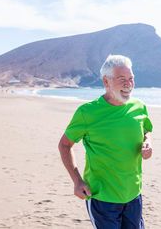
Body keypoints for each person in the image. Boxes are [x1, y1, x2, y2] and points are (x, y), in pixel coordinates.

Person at [58, 54, 153, 229]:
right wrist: (77, 180)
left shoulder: (139, 106)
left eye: (131, 79)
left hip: (133, 195)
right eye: (121, 79)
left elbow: (146, 130)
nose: (128, 84)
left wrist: (147, 143)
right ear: (106, 81)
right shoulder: (87, 112)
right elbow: (64, 145)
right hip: (102, 198)